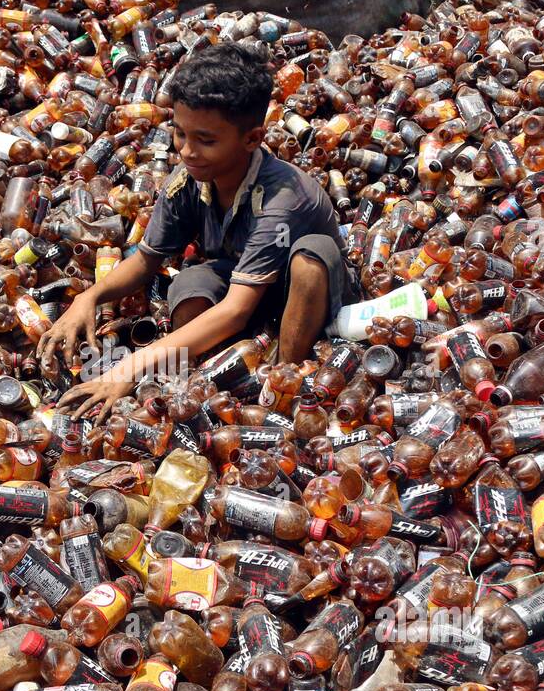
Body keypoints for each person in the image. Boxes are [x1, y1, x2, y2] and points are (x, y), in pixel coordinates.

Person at [38, 41, 355, 422]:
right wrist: (88, 298)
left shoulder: (281, 199)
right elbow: (145, 260)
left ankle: (282, 384)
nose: (188, 151)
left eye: (206, 140)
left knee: (310, 256)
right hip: (247, 285)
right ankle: (209, 376)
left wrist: (129, 368)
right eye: (180, 134)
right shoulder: (188, 179)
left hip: (308, 298)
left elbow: (236, 311)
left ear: (252, 139)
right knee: (189, 283)